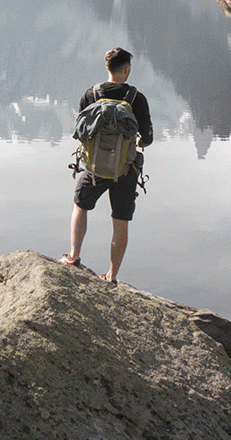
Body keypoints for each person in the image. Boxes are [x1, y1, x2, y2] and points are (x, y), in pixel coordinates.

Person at [60, 46, 152, 283]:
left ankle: (73, 256)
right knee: (120, 221)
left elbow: (80, 131)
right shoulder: (136, 99)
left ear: (107, 67)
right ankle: (111, 276)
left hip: (94, 169)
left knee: (80, 206)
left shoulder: (91, 95)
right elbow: (148, 138)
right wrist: (138, 141)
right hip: (125, 170)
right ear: (126, 69)